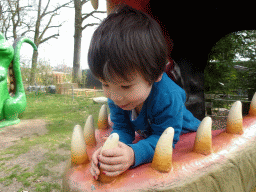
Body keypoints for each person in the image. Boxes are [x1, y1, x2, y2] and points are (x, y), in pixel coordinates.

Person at [88, 5, 201, 180]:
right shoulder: (117, 97)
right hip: (152, 135)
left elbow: (166, 140)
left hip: (185, 137)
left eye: (126, 86)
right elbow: (123, 128)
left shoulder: (167, 97)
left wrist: (133, 155)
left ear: (156, 74)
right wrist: (109, 153)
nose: (115, 97)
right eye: (105, 84)